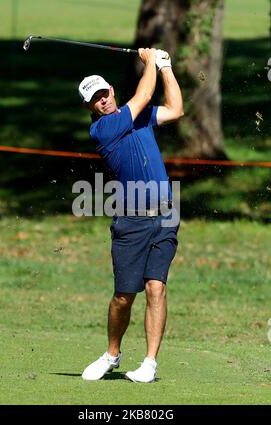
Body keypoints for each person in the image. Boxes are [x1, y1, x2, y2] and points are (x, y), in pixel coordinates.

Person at [78, 48, 184, 383]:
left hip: (166, 214)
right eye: (95, 100)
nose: (103, 101)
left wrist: (165, 67)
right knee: (124, 296)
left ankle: (149, 364)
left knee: (156, 288)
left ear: (112, 89)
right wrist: (149, 60)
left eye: (104, 93)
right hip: (131, 220)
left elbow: (176, 109)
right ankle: (112, 353)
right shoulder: (104, 129)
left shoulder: (137, 116)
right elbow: (144, 93)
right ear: (89, 107)